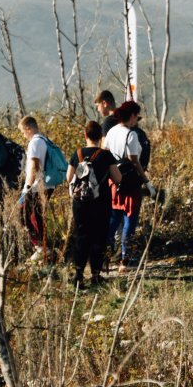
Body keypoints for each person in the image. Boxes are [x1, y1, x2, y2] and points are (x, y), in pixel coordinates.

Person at [67, 121, 117, 288]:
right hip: (101, 202)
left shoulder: (78, 154)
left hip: (80, 203)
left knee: (81, 236)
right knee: (99, 237)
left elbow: (68, 178)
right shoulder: (105, 155)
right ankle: (95, 275)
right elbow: (117, 178)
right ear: (100, 137)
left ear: (85, 136)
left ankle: (78, 274)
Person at [104, 100, 149, 268]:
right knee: (130, 218)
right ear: (131, 116)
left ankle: (104, 255)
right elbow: (135, 161)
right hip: (129, 182)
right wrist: (146, 181)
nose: (137, 120)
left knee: (113, 218)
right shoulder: (132, 135)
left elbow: (105, 152)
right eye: (136, 116)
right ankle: (126, 258)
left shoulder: (111, 132)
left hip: (113, 180)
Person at [17, 115, 54, 262]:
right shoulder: (44, 139)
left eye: (22, 131)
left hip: (37, 186)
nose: (23, 135)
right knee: (36, 215)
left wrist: (27, 186)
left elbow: (34, 165)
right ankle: (43, 248)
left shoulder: (34, 142)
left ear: (28, 128)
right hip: (45, 184)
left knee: (24, 214)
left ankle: (41, 247)